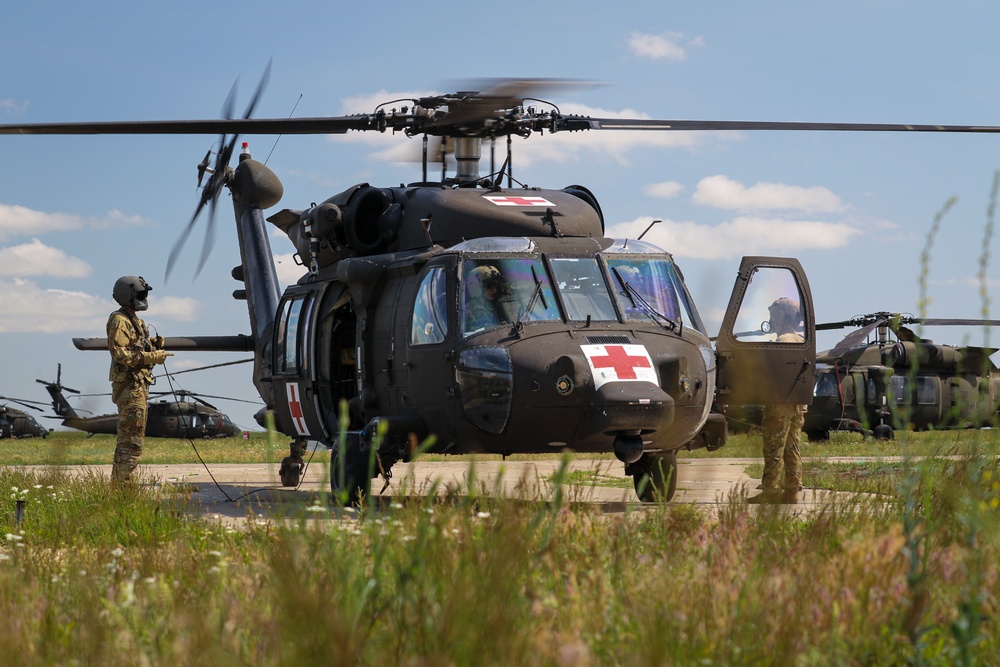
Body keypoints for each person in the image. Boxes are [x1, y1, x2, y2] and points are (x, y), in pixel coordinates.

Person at [107, 276, 172, 484]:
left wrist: (153, 343)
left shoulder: (134, 320)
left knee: (134, 439)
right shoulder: (120, 320)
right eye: (141, 294)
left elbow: (135, 346)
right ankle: (122, 488)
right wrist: (154, 357)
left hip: (138, 387)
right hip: (130, 388)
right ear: (129, 295)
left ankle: (123, 485)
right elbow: (121, 355)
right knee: (131, 442)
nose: (144, 298)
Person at [748, 297, 808, 504]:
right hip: (797, 404)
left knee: (773, 448)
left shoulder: (783, 342)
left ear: (782, 316)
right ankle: (792, 490)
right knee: (792, 447)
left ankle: (770, 491)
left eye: (775, 314)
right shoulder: (801, 340)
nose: (772, 318)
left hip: (780, 404)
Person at [464, 265, 512, 332]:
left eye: (496, 285)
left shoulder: (501, 305)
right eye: (489, 286)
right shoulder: (467, 311)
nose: (494, 290)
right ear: (477, 287)